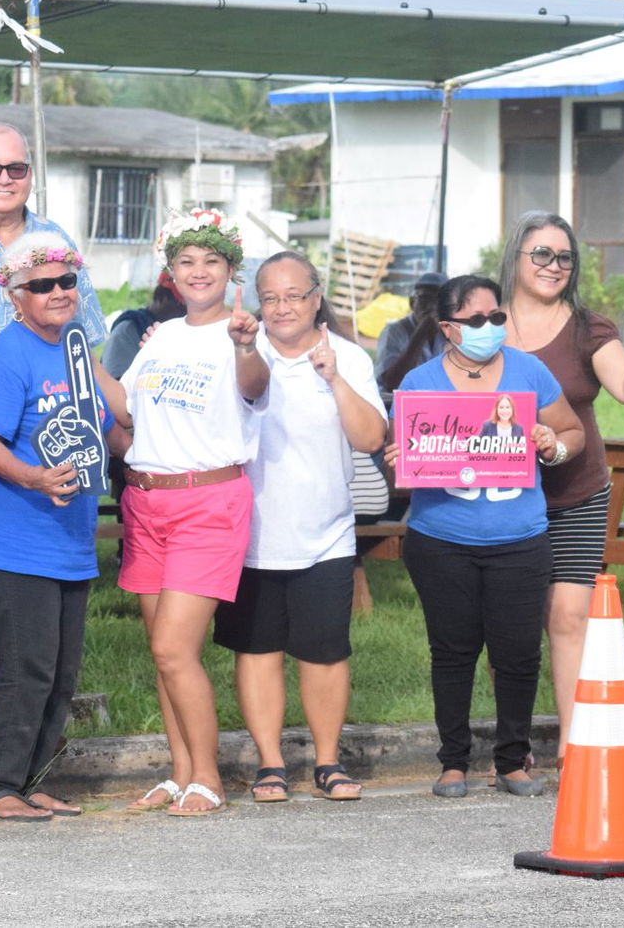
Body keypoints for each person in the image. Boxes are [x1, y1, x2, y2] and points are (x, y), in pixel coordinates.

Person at [0, 122, 107, 757]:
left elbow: (85, 334)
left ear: (30, 173)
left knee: (19, 589)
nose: (4, 180)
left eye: (16, 169)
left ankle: (19, 727)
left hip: (35, 424)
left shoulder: (54, 241)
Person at [387, 275, 585, 799]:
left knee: (518, 653)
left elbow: (573, 432)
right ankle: (454, 762)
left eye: (497, 317)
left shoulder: (528, 371)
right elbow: (400, 472)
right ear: (449, 328)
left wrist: (552, 446)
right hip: (441, 539)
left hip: (520, 537)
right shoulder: (420, 385)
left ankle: (512, 760)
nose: (491, 327)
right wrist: (399, 464)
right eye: (477, 320)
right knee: (452, 652)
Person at [0, 232, 130, 821]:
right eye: (42, 285)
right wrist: (34, 478)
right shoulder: (9, 354)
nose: (59, 292)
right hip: (16, 541)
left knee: (60, 674)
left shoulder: (77, 349)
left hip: (70, 541)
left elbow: (116, 426)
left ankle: (31, 780)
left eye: (67, 281)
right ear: (15, 296)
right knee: (24, 669)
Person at [496, 210, 624, 763]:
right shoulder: (486, 326)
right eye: (542, 254)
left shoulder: (587, 327)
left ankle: (576, 752)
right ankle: (511, 747)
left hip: (577, 494)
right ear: (517, 258)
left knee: (568, 616)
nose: (554, 265)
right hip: (498, 501)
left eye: (565, 256)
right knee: (511, 625)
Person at [216, 250, 385, 804]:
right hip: (251, 533)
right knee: (258, 650)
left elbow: (369, 439)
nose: (283, 307)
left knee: (324, 652)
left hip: (326, 532)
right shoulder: (241, 350)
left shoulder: (349, 358)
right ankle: (269, 763)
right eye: (271, 297)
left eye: (294, 295)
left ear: (317, 298)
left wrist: (334, 379)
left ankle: (328, 761)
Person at [119, 208, 267, 817]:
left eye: (211, 261)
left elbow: (255, 388)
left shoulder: (242, 335)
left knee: (176, 649)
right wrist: (69, 343)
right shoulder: (161, 336)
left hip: (207, 501)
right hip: (146, 499)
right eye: (186, 262)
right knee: (163, 650)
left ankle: (209, 776)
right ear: (170, 273)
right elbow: (123, 410)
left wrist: (246, 346)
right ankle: (179, 772)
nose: (198, 271)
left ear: (232, 270)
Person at [102, 274, 184, 379]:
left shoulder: (179, 331)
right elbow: (114, 382)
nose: (184, 311)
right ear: (161, 299)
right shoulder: (127, 331)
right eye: (180, 305)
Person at [376, 271, 447, 393]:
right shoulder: (395, 331)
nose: (432, 307)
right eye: (425, 299)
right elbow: (392, 383)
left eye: (439, 302)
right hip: (400, 404)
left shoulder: (450, 331)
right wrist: (421, 333)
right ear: (412, 302)